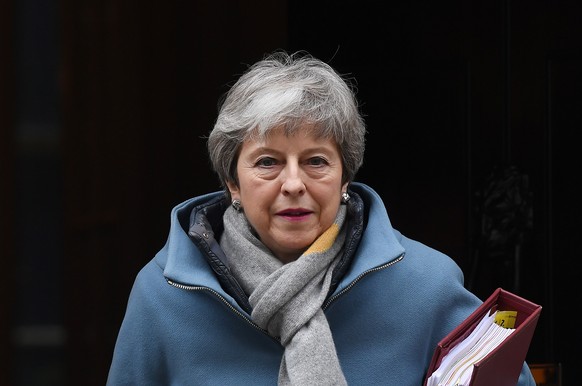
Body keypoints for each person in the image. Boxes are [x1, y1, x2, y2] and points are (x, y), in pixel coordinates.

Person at [106, 50, 536, 385]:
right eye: (268, 162)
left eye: (315, 161)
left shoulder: (425, 285)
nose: (293, 183)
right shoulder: (164, 295)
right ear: (232, 182)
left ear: (345, 175)